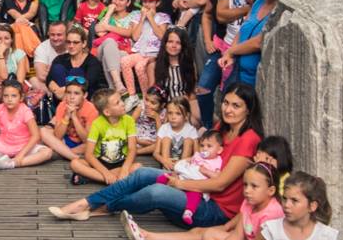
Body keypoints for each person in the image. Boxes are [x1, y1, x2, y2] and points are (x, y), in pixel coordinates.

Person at [50, 84, 263, 228]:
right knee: (143, 173)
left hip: (212, 208)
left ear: (248, 109)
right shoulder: (221, 129)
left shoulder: (248, 139)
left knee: (156, 192)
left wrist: (179, 183)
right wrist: (182, 172)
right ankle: (85, 203)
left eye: (236, 105)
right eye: (226, 103)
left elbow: (220, 184)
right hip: (196, 187)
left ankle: (105, 206)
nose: (228, 109)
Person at [219, 0, 289, 90]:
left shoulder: (282, 11)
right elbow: (242, 30)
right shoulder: (258, 3)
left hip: (258, 80)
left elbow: (259, 42)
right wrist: (229, 55)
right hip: (238, 72)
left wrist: (231, 51)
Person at [0, 76, 50, 171]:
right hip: (3, 144)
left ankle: (11, 163)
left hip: (23, 146)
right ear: (2, 97)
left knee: (47, 152)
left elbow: (36, 136)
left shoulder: (25, 111)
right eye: (6, 96)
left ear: (21, 97)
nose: (9, 99)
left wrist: (21, 154)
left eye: (14, 96)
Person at [68, 87, 137, 186]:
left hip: (121, 162)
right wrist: (105, 173)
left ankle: (92, 177)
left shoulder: (129, 120)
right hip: (100, 162)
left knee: (137, 167)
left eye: (121, 100)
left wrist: (125, 169)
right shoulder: (97, 124)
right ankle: (112, 179)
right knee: (75, 163)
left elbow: (132, 148)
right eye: (117, 103)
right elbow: (88, 154)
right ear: (107, 112)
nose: (123, 103)